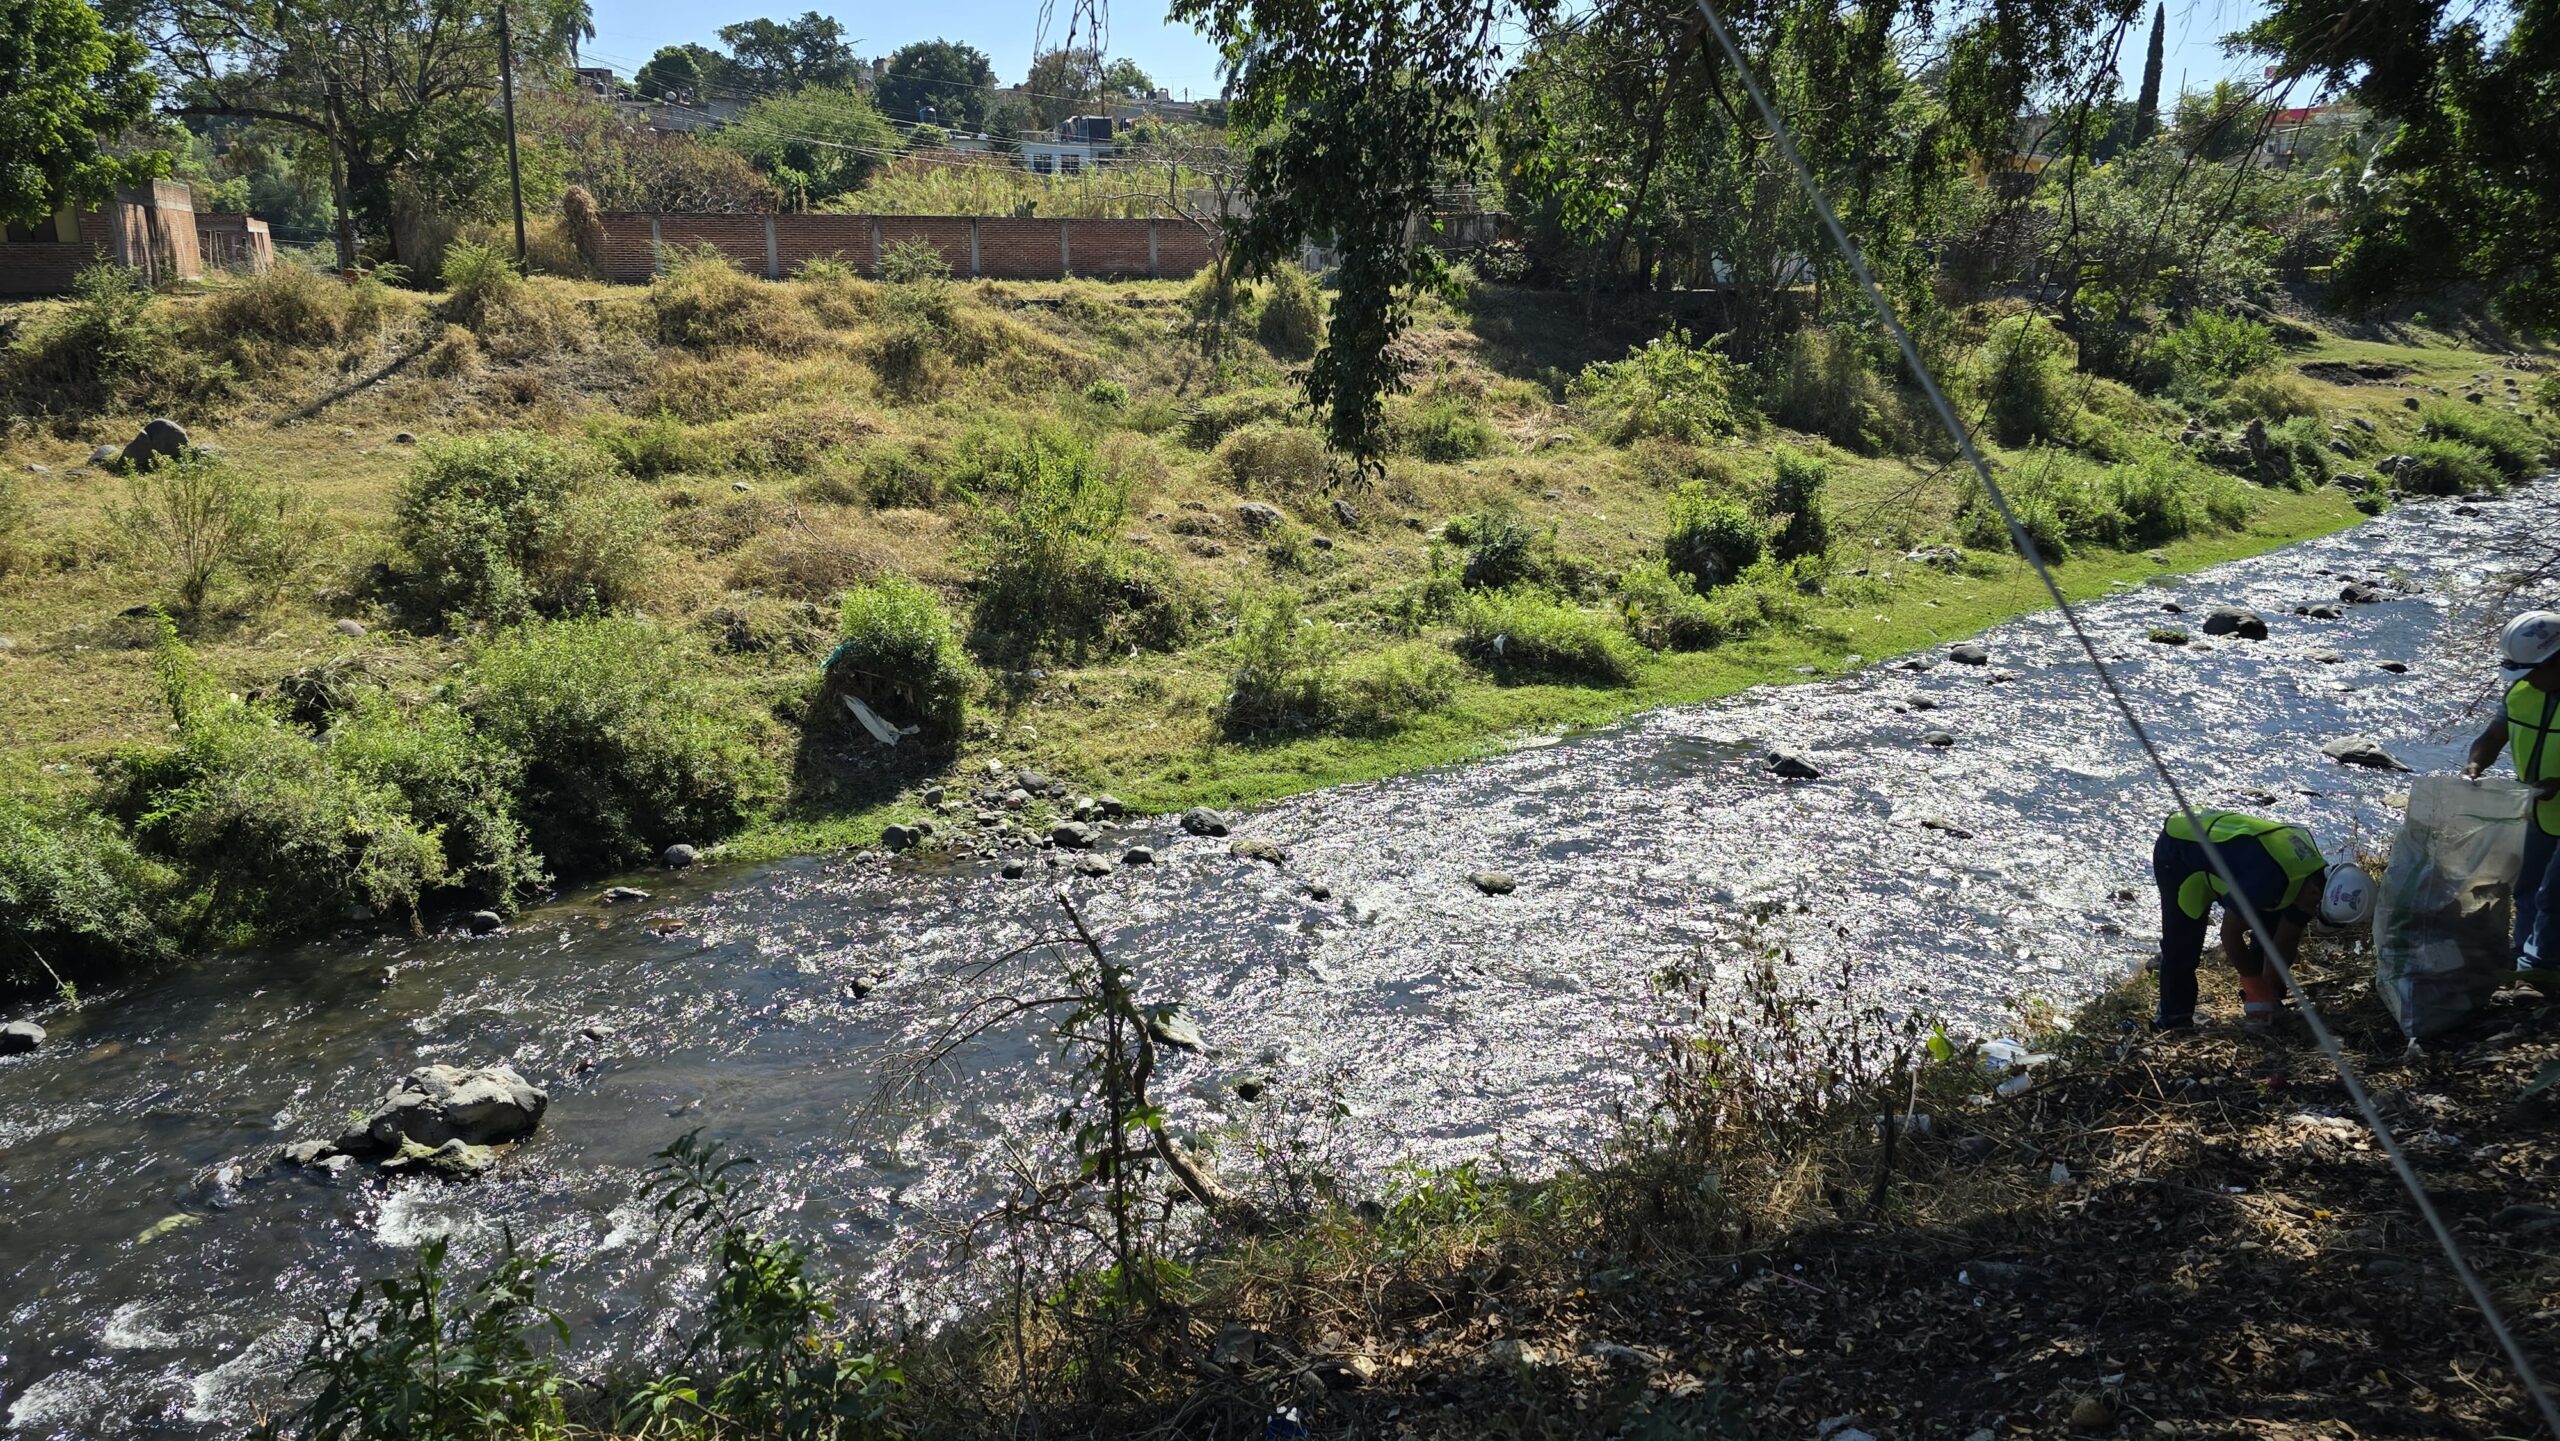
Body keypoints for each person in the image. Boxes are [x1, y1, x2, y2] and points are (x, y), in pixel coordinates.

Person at [2151, 807, 2375, 1029]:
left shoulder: (2315, 880)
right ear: (2317, 894)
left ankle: (2266, 1001)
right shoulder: (2266, 883)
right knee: (2182, 945)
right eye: (2315, 912)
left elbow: (2287, 936)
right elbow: (2229, 934)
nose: (2308, 916)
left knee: (2271, 922)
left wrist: (2271, 991)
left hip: (2236, 857)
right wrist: (2254, 983)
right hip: (2181, 850)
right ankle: (2173, 1019)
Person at [2463, 610, 2560, 970]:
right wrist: (2476, 765)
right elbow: (2492, 737)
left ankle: (2542, 968)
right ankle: (2524, 954)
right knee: (2528, 887)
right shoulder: (2521, 692)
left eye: (2534, 671)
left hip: (2549, 802)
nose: (2529, 679)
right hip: (2537, 811)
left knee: (2555, 895)